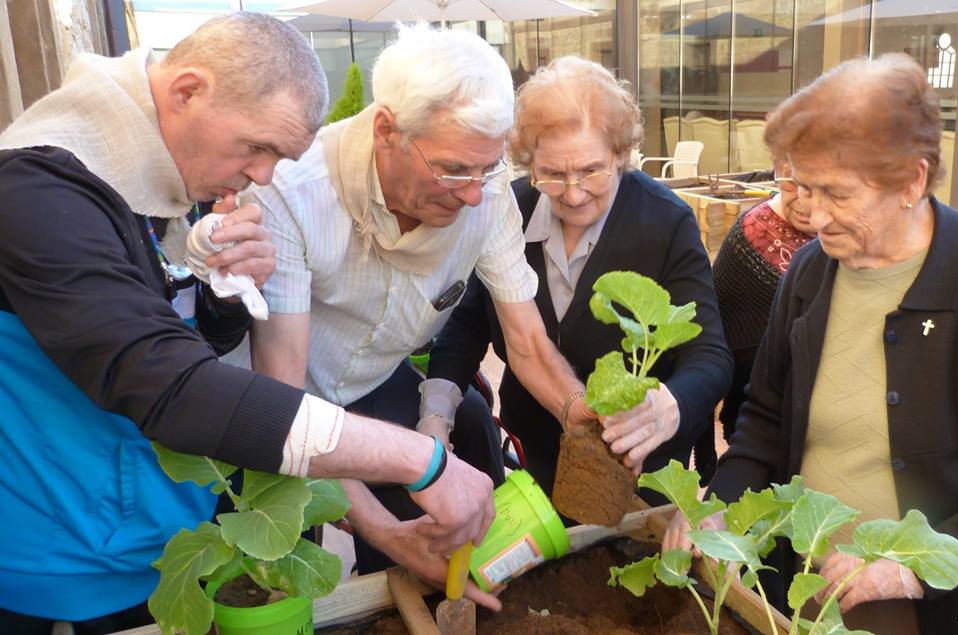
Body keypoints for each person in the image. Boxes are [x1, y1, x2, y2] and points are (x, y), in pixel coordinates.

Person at [0, 14, 495, 633]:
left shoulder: (160, 173)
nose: (264, 176)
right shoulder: (40, 189)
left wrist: (223, 296)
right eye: (258, 148)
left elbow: (188, 338)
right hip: (56, 555)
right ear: (188, 91)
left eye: (278, 158)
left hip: (140, 530)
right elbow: (170, 385)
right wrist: (423, 459)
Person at [250, 26, 602, 591]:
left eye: (486, 169)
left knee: (466, 426)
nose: (472, 193)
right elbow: (288, 407)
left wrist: (580, 413)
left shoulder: (485, 195)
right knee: (282, 549)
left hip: (372, 377)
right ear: (386, 129)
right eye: (451, 169)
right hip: (277, 397)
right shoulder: (294, 192)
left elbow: (529, 344)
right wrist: (386, 532)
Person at [664, 54, 958, 634]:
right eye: (802, 185)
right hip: (802, 585)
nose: (813, 214)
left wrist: (908, 569)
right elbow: (766, 416)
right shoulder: (810, 273)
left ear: (912, 180)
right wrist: (720, 502)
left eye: (837, 194)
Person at [426, 56, 732, 505]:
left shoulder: (665, 222)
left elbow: (710, 355)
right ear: (528, 159)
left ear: (621, 154)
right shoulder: (510, 211)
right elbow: (468, 324)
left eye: (592, 170)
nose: (572, 192)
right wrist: (437, 411)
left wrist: (671, 405)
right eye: (551, 173)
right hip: (536, 453)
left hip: (637, 468)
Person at [693, 161, 815, 480]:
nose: (803, 200)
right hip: (759, 423)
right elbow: (712, 337)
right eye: (790, 182)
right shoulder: (752, 235)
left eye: (817, 187)